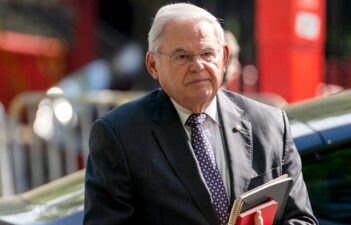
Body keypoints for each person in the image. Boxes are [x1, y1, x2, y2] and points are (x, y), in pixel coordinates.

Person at [83, 3, 318, 225]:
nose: (197, 66)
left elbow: (301, 218)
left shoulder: (269, 124)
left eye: (207, 54)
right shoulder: (119, 134)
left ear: (224, 58)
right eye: (182, 56)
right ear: (153, 65)